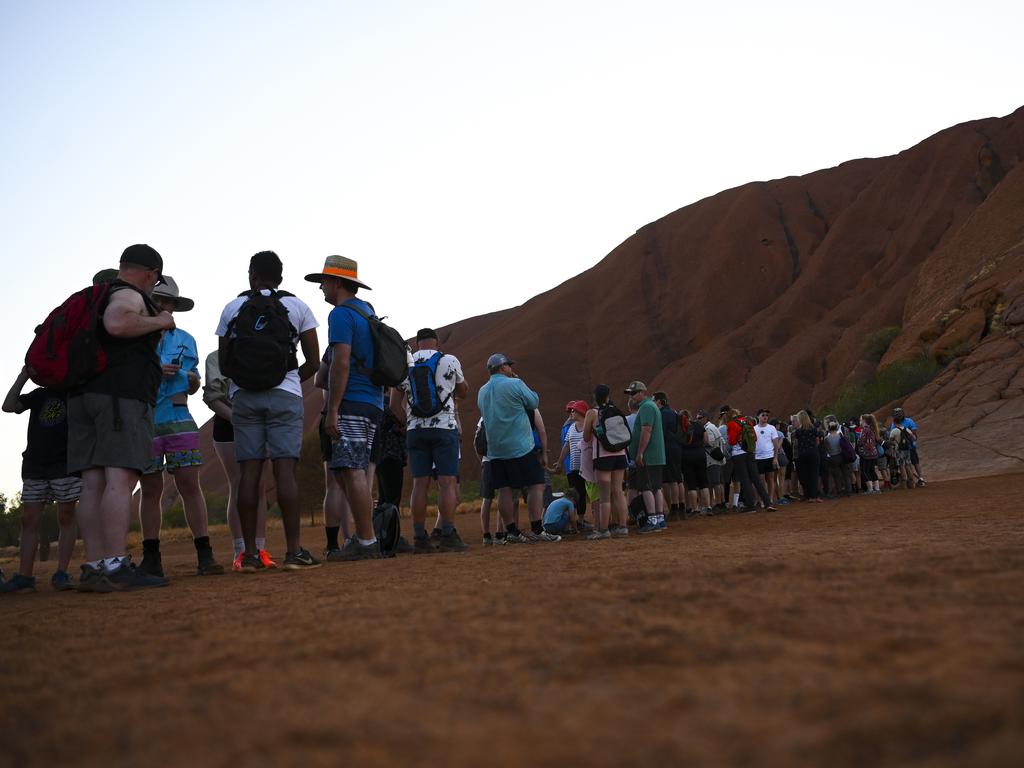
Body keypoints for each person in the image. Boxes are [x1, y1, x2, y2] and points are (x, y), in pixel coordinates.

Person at [69, 244, 175, 592]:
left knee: (92, 484)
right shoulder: (127, 295)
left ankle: (95, 565)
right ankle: (115, 565)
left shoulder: (94, 296)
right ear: (151, 273)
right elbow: (117, 323)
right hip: (119, 399)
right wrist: (159, 320)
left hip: (83, 397)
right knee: (120, 479)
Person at [217, 250, 321, 572]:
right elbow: (314, 362)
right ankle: (293, 552)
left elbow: (224, 364)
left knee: (249, 473)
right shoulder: (297, 307)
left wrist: (249, 381)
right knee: (284, 471)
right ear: (281, 276)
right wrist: (287, 378)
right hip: (285, 396)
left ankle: (249, 555)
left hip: (244, 398)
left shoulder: (232, 308)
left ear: (252, 274)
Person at [137, 276, 223, 578]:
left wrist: (192, 380)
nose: (164, 306)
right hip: (144, 419)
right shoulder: (135, 337)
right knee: (150, 489)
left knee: (190, 486)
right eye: (159, 300)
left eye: (169, 302)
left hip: (178, 417)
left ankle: (205, 554)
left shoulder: (185, 339)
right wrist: (154, 370)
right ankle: (151, 557)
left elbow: (193, 381)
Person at [306, 254, 385, 560]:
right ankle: (364, 539)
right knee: (353, 471)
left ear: (337, 282)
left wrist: (334, 409)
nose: (321, 288)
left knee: (352, 472)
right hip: (373, 401)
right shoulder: (368, 312)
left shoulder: (340, 315)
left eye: (324, 281)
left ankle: (366, 541)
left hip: (352, 401)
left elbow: (340, 363)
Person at [390, 327, 469, 553]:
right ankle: (447, 535)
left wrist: (409, 423)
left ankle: (419, 538)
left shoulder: (405, 364)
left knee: (419, 484)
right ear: (436, 343)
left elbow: (394, 405)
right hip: (444, 429)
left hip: (416, 431)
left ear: (417, 344)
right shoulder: (449, 360)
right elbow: (463, 392)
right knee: (446, 483)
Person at [1, 366, 80, 592]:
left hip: (65, 464)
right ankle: (25, 576)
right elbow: (7, 406)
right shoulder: (39, 395)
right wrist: (23, 375)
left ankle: (62, 573)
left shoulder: (74, 393)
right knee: (29, 520)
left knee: (66, 516)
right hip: (35, 464)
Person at [202, 351, 276, 571]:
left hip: (259, 422)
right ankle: (241, 552)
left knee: (259, 487)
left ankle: (260, 549)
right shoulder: (216, 357)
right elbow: (213, 398)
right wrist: (240, 419)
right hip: (228, 424)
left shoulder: (262, 353)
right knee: (238, 484)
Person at [477, 353, 560, 543]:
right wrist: (519, 381)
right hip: (520, 446)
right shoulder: (515, 384)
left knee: (504, 490)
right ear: (502, 367)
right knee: (536, 484)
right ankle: (538, 530)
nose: (511, 368)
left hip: (496, 449)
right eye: (508, 365)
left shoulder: (482, 391)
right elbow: (534, 402)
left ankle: (512, 532)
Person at [314, 352, 354, 559]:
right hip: (359, 414)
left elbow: (318, 380)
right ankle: (357, 539)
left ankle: (333, 544)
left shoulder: (333, 349)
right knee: (357, 479)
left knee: (334, 484)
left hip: (331, 415)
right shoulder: (369, 342)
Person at [583, 384, 629, 537]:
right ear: (608, 396)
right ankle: (623, 527)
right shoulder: (615, 410)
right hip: (620, 454)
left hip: (603, 457)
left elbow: (586, 437)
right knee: (618, 491)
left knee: (604, 495)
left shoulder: (592, 413)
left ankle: (603, 530)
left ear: (595, 397)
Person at [624, 381, 667, 533]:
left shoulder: (647, 407)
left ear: (643, 392)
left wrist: (640, 452)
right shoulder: (650, 406)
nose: (632, 396)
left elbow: (646, 430)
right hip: (656, 455)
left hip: (649, 455)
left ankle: (652, 519)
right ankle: (660, 518)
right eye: (630, 393)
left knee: (646, 487)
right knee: (656, 487)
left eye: (634, 393)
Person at [726, 408, 776, 512]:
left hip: (738, 455)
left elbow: (731, 441)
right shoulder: (747, 421)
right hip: (751, 453)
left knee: (745, 480)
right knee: (756, 479)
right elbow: (755, 438)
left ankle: (750, 506)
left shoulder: (731, 424)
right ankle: (768, 503)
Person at [550, 400, 589, 527]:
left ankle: (583, 520)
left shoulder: (589, 426)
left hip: (587, 467)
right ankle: (577, 521)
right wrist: (560, 462)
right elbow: (566, 446)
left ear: (581, 412)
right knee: (575, 493)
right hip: (574, 467)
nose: (571, 412)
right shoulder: (571, 428)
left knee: (586, 494)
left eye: (574, 410)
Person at [654, 392, 685, 520]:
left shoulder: (662, 414)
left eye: (654, 400)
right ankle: (682, 508)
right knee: (678, 479)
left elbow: (659, 431)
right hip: (677, 447)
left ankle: (674, 509)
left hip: (668, 448)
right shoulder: (673, 412)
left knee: (670, 480)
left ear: (659, 401)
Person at [753, 408, 783, 504]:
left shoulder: (771, 428)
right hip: (758, 458)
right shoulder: (754, 429)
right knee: (761, 480)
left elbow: (775, 444)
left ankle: (769, 499)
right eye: (763, 415)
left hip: (769, 457)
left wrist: (775, 458)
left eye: (766, 415)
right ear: (758, 417)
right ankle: (762, 499)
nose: (765, 417)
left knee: (770, 479)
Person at [791, 410, 822, 502]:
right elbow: (817, 441)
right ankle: (814, 496)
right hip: (813, 453)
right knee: (814, 475)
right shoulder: (813, 429)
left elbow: (795, 444)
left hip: (802, 455)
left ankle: (808, 495)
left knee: (804, 476)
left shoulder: (797, 431)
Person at [891, 407, 925, 487]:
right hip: (904, 447)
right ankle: (912, 481)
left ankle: (919, 479)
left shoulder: (908, 421)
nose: (898, 416)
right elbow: (913, 433)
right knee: (908, 464)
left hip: (909, 446)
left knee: (913, 463)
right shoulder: (896, 424)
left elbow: (914, 431)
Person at [857, 413, 882, 494]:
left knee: (865, 471)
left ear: (863, 421)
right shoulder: (872, 428)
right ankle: (877, 489)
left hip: (866, 453)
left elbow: (861, 441)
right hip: (873, 453)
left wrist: (858, 442)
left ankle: (870, 489)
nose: (860, 421)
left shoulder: (865, 429)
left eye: (860, 420)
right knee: (872, 470)